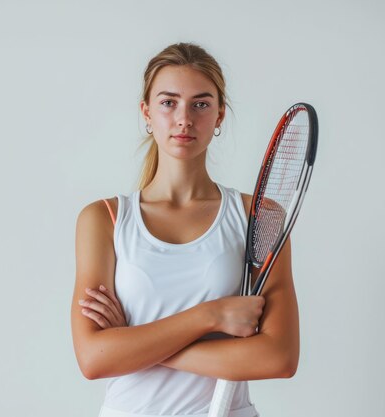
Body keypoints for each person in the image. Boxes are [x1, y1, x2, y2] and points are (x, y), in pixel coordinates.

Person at [71, 42, 300, 417]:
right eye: (168, 102)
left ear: (220, 115)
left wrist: (133, 343)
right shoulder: (104, 219)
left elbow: (279, 357)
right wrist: (210, 316)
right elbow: (93, 359)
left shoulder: (258, 216)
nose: (184, 118)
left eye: (201, 103)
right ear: (146, 111)